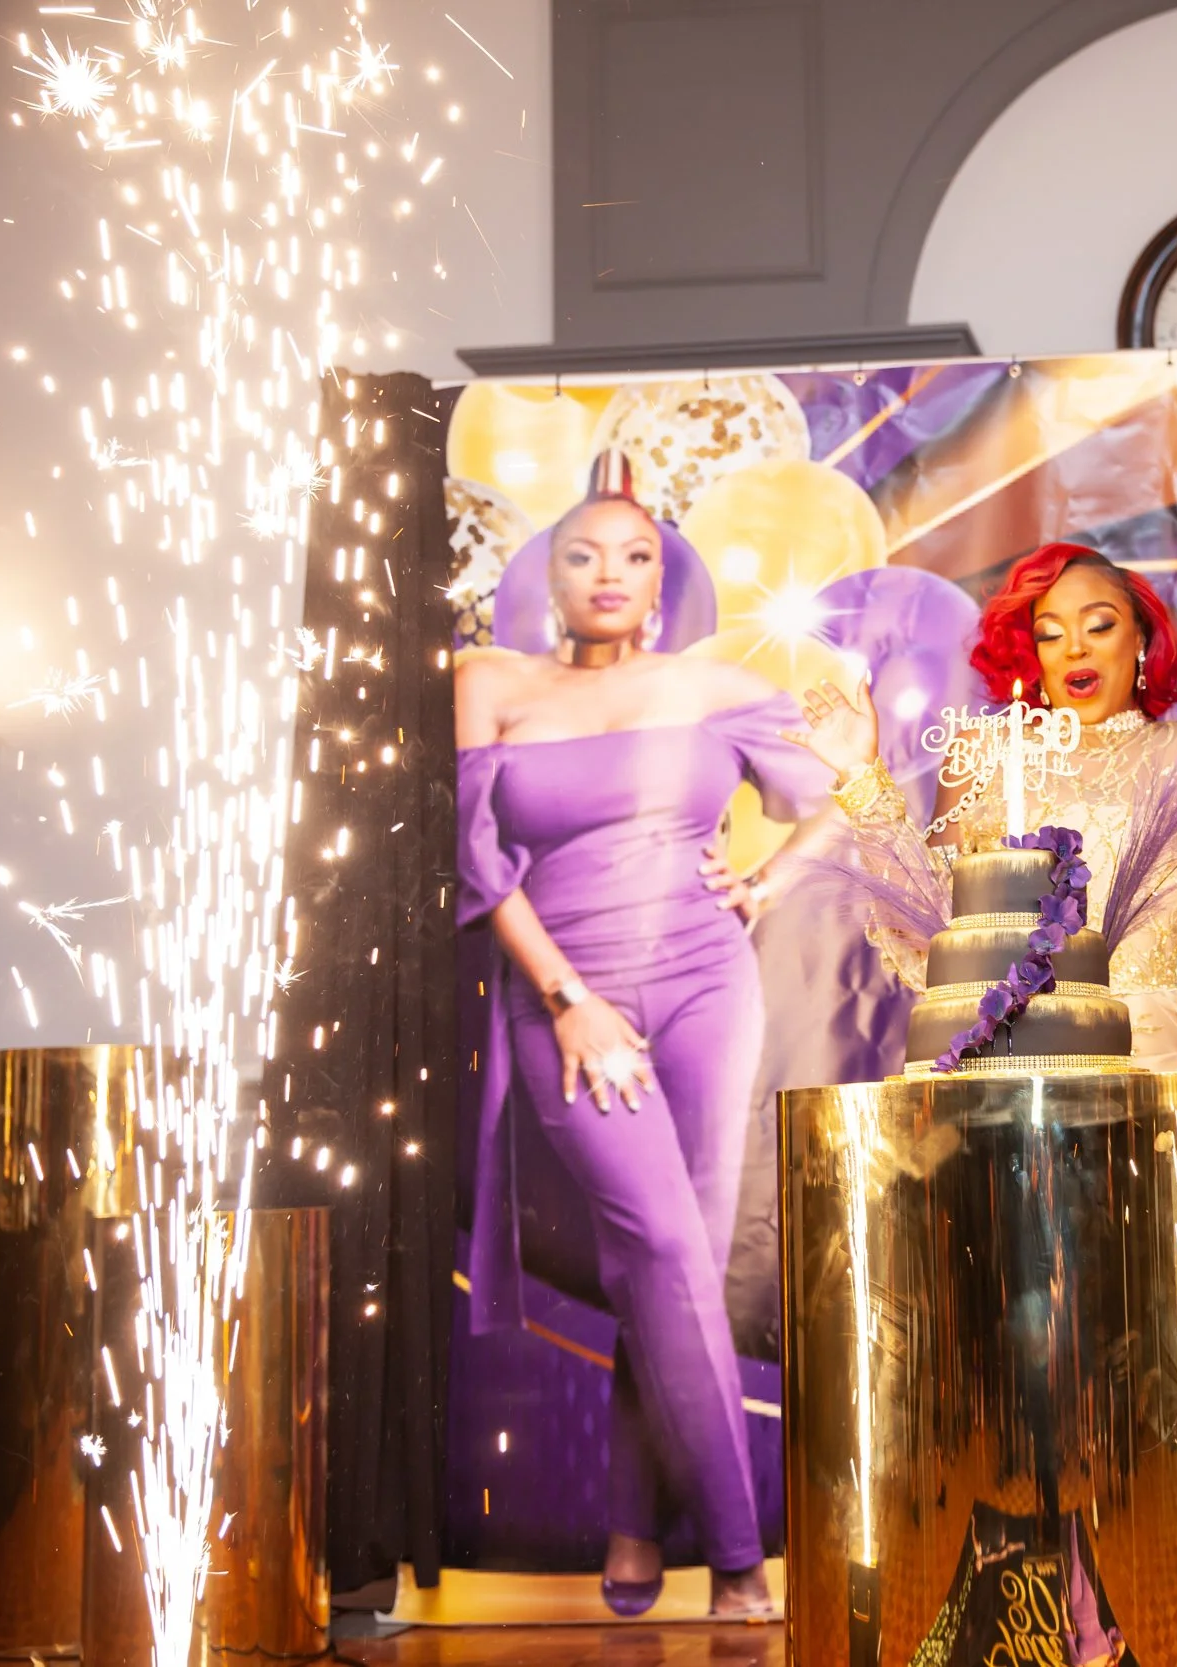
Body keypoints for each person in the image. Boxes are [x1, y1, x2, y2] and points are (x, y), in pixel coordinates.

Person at [454, 466, 832, 1621]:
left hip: (710, 990)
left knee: (677, 1276)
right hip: (570, 999)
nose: (607, 574)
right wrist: (566, 996)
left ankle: (630, 1527)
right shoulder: (490, 681)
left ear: (659, 583)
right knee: (666, 1254)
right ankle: (733, 1559)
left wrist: (770, 876)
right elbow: (478, 864)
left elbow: (838, 791)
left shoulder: (714, 683)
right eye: (583, 554)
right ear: (548, 577)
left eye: (633, 556)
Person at [775, 541, 1177, 1066]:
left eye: (1099, 626)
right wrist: (860, 774)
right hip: (1021, 1071)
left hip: (1167, 1080)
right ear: (1034, 656)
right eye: (1049, 633)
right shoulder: (986, 753)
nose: (1075, 646)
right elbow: (932, 935)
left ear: (1141, 641)